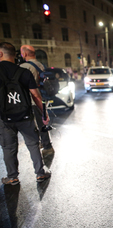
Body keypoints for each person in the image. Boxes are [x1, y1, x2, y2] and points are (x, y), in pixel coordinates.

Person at [0, 42, 51, 185]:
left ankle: (12, 177)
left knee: (8, 148)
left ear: (0, 54)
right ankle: (40, 174)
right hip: (25, 115)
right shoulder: (24, 72)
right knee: (33, 144)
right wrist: (43, 113)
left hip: (4, 118)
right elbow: (36, 95)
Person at [20, 45, 55, 159]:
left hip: (30, 99)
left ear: (25, 54)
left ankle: (38, 145)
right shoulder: (40, 65)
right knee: (42, 122)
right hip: (41, 97)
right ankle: (47, 144)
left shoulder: (24, 67)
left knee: (32, 125)